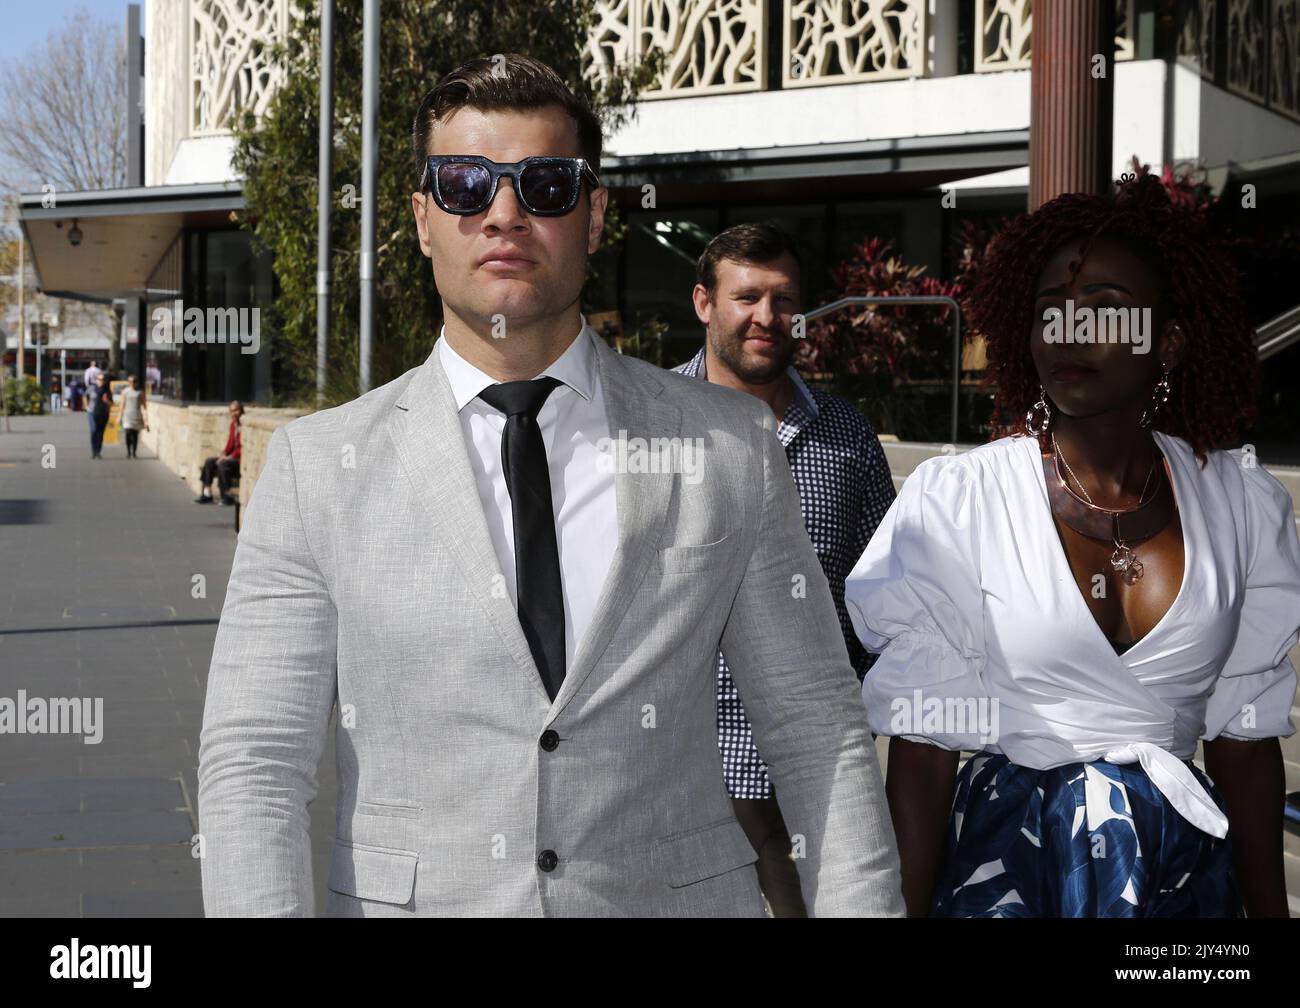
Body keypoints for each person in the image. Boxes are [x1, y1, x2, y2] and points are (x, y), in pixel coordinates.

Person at [197, 54, 903, 918]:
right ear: (423, 219)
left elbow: (814, 726)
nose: (504, 213)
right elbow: (255, 762)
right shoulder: (317, 469)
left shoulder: (729, 447)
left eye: (545, 183)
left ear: (595, 213)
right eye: (464, 183)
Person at [846, 171, 1299, 918]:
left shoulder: (1239, 502)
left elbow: (1244, 743)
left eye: (1108, 312)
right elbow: (923, 753)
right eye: (1050, 311)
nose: (1072, 332)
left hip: (1176, 877)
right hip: (1013, 868)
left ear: (1172, 342)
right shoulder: (962, 500)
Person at [672, 222, 896, 917]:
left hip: (803, 780)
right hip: (669, 777)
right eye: (747, 297)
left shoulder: (847, 440)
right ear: (704, 303)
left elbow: (885, 603)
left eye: (783, 299)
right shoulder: (641, 429)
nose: (767, 317)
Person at [195, 401, 242, 504]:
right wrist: (224, 453)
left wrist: (230, 457)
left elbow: (242, 448)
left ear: (241, 411)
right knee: (209, 461)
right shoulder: (233, 425)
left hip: (238, 460)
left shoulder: (243, 426)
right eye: (232, 411)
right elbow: (230, 443)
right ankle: (207, 493)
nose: (234, 413)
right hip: (230, 457)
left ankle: (226, 495)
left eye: (236, 410)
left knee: (223, 463)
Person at [118, 374, 148, 458]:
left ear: (137, 382)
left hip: (137, 415)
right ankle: (128, 452)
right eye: (130, 381)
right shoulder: (125, 392)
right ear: (128, 382)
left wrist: (146, 418)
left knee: (135, 435)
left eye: (134, 381)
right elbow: (122, 405)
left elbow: (144, 405)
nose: (132, 383)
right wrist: (119, 417)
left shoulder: (140, 392)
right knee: (128, 434)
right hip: (127, 415)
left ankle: (134, 452)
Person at [87, 374, 111, 459]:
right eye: (99, 379)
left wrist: (107, 401)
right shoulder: (92, 388)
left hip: (103, 413)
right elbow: (84, 396)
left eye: (103, 379)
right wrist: (86, 406)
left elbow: (111, 403)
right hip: (92, 412)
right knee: (94, 430)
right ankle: (93, 451)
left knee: (100, 433)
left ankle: (98, 452)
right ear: (96, 380)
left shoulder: (107, 390)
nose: (101, 381)